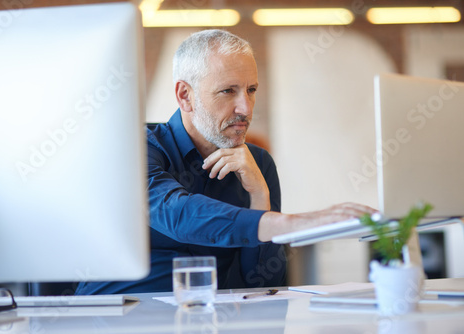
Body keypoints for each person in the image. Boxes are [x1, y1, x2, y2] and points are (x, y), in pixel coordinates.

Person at [76, 29, 375, 295]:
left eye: (251, 90)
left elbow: (262, 285)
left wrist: (260, 195)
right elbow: (178, 214)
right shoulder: (136, 149)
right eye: (228, 91)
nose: (245, 108)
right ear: (185, 96)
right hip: (122, 314)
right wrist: (291, 223)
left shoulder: (257, 163)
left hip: (210, 317)